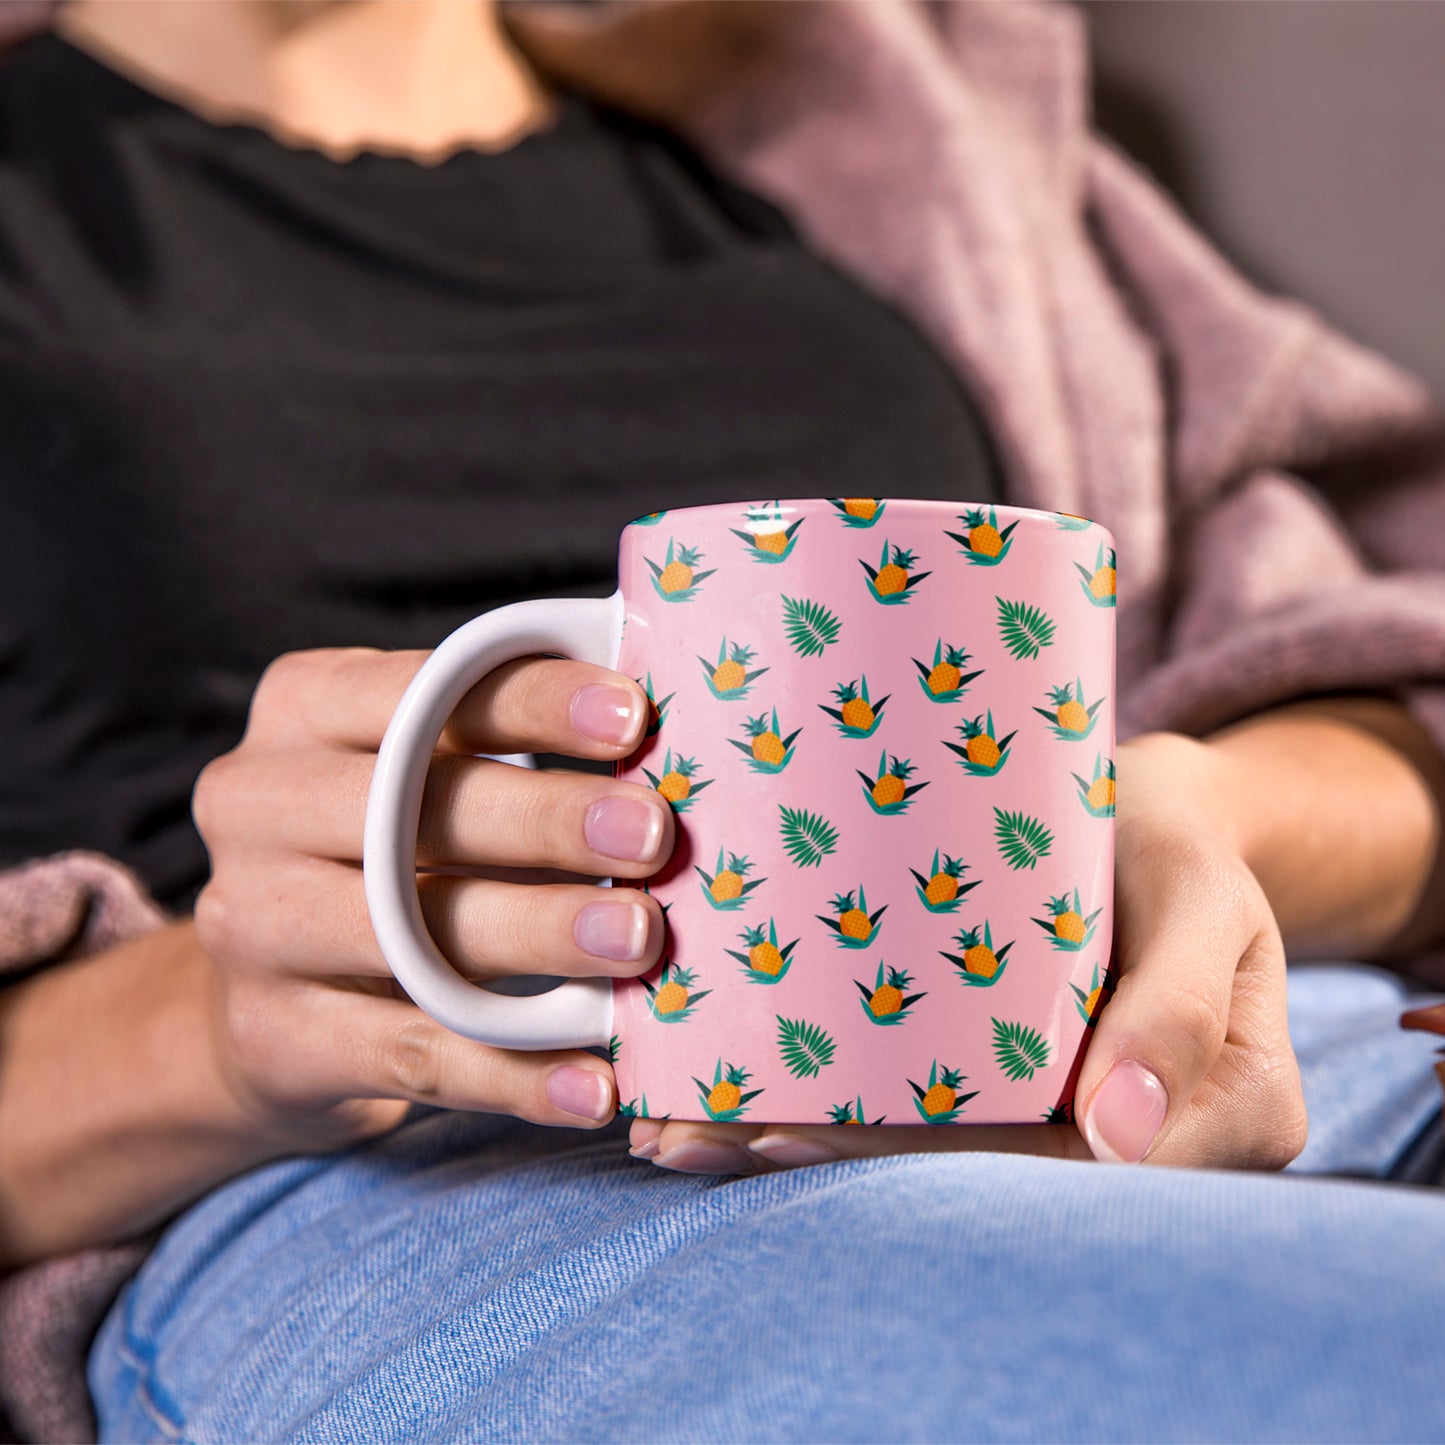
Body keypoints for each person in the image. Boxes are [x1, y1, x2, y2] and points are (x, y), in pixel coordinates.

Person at [0, 2, 1442, 1440]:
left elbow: (1386, 685)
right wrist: (215, 1028)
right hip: (457, 1186)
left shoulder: (893, 118)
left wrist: (1171, 811)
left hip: (1256, 1057)